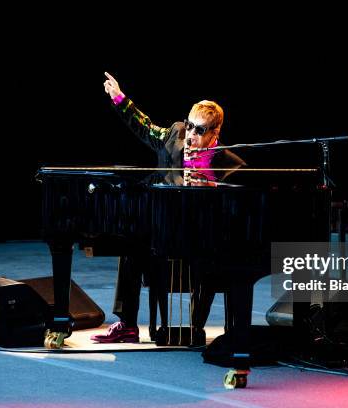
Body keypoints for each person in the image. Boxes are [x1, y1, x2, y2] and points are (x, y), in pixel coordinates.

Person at [90, 72, 246, 343]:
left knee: (217, 257)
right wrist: (119, 98)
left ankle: (196, 327)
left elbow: (241, 207)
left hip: (201, 237)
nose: (191, 135)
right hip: (164, 230)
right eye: (190, 125)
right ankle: (127, 324)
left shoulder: (227, 163)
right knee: (129, 246)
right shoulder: (175, 135)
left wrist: (213, 190)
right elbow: (144, 126)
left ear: (215, 133)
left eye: (200, 130)